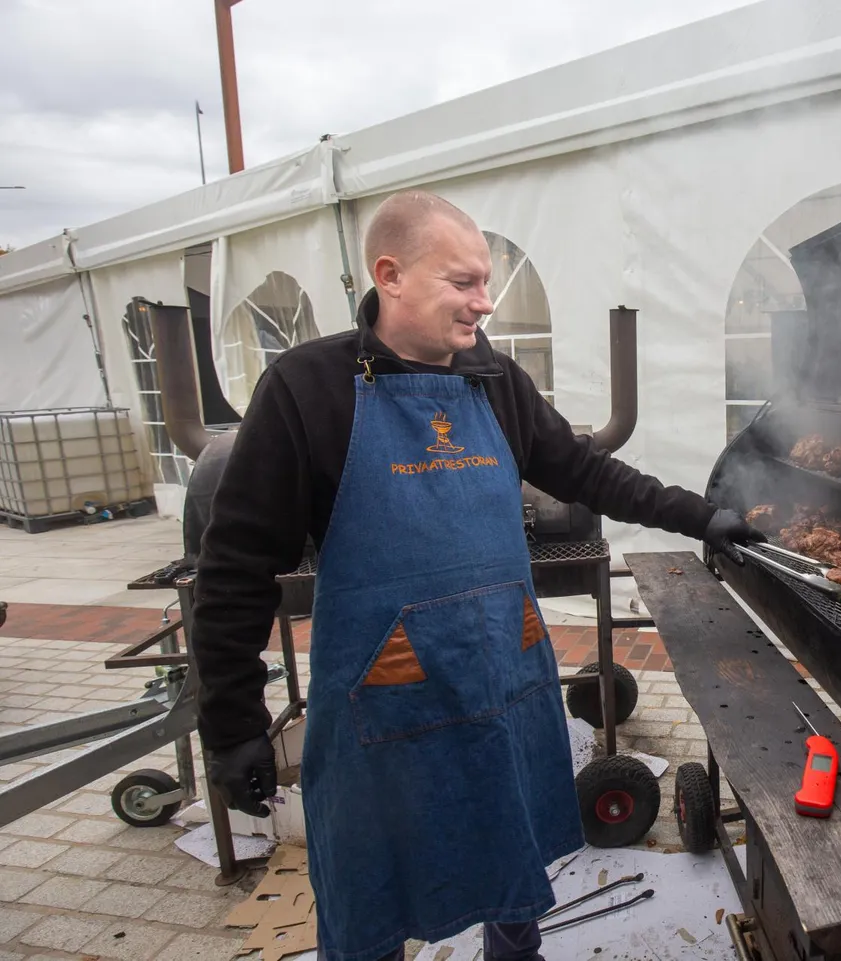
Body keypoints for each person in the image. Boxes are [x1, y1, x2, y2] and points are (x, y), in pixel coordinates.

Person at [190, 190, 763, 961]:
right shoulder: (307, 387)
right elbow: (234, 567)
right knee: (370, 894)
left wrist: (702, 516)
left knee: (512, 873)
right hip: (381, 709)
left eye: (485, 281)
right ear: (389, 275)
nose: (484, 302)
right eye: (462, 282)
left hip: (501, 688)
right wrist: (231, 724)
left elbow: (586, 472)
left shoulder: (494, 380)